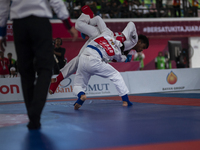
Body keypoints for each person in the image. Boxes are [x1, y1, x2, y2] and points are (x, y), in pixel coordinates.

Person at [0, 0, 78, 130]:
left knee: (26, 72)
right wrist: (68, 25)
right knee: (45, 69)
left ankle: (33, 118)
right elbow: (56, 1)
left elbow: (3, 6)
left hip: (19, 25)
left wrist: (1, 34)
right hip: (40, 23)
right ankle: (35, 112)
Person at [49, 5, 149, 95]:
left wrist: (119, 57)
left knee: (79, 59)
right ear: (140, 41)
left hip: (101, 41)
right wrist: (122, 38)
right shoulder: (134, 40)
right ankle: (90, 17)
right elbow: (131, 24)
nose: (141, 50)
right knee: (79, 25)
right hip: (106, 35)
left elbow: (115, 57)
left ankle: (57, 79)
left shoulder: (126, 52)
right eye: (143, 47)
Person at [73, 15, 149, 110]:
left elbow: (98, 19)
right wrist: (125, 56)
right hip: (95, 61)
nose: (141, 50)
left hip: (83, 57)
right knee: (116, 75)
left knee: (77, 85)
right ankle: (125, 100)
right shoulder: (118, 49)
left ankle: (81, 95)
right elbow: (120, 59)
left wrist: (89, 24)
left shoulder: (105, 32)